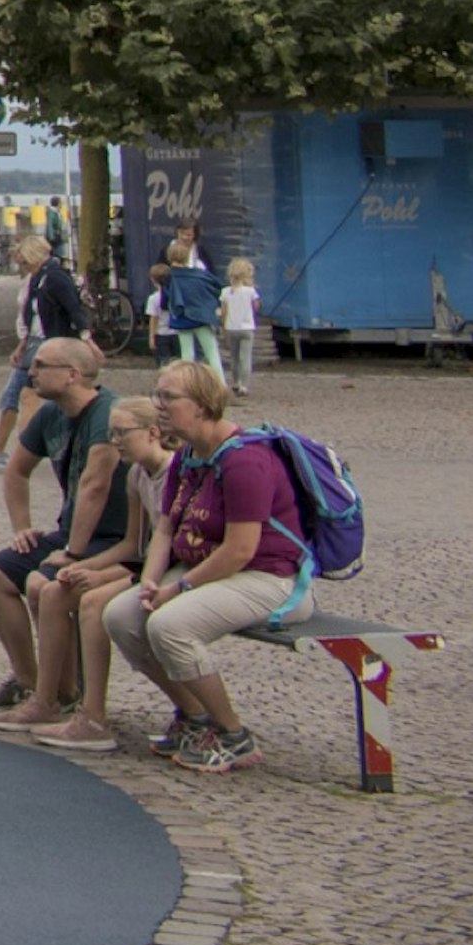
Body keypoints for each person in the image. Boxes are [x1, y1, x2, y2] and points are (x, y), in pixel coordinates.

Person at [100, 360, 299, 773]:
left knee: (170, 626)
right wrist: (151, 582)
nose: (158, 405)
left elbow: (240, 550)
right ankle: (194, 715)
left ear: (204, 405)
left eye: (168, 397)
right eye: (157, 394)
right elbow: (166, 531)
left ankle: (233, 735)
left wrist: (178, 590)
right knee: (122, 614)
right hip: (207, 568)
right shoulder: (189, 456)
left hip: (268, 577)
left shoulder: (245, 461)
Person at [0, 336, 116, 711]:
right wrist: (22, 528)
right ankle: (29, 682)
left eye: (40, 365)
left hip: (112, 541)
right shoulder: (50, 415)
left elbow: (95, 486)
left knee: (47, 581)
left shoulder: (108, 414)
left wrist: (74, 553)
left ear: (72, 375)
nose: (30, 371)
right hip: (70, 535)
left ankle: (62, 693)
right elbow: (16, 471)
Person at [13, 399, 169, 753]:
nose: (115, 440)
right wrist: (84, 565)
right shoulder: (136, 475)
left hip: (163, 570)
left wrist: (102, 577)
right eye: (111, 432)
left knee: (93, 603)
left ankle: (94, 716)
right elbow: (132, 545)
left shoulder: (171, 474)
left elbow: (160, 553)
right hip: (141, 565)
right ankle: (48, 699)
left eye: (122, 433)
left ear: (152, 432)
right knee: (54, 590)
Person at [0, 232, 85, 467]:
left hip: (47, 344)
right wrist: (22, 343)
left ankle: (20, 453)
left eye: (22, 261)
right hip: (34, 342)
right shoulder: (38, 277)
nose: (21, 266)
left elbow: (73, 309)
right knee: (17, 396)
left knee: (28, 396)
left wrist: (85, 336)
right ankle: (4, 449)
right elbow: (31, 314)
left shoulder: (54, 277)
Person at [157, 231, 222, 371]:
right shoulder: (200, 275)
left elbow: (164, 301)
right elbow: (216, 287)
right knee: (211, 351)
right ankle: (220, 384)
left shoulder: (169, 277)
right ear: (187, 257)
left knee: (187, 354)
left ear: (169, 257)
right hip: (201, 316)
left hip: (182, 318)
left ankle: (188, 384)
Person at [219, 259, 264, 388]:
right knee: (246, 358)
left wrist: (223, 327)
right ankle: (244, 385)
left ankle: (236, 381)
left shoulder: (225, 291)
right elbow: (256, 307)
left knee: (234, 358)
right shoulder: (251, 291)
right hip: (247, 328)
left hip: (231, 328)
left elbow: (223, 312)